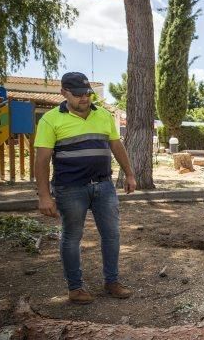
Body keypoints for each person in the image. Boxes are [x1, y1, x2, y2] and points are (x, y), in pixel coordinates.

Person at [34, 72, 136, 304]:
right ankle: (75, 288)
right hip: (70, 189)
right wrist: (44, 196)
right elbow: (41, 161)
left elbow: (116, 146)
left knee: (112, 235)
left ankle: (112, 282)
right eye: (78, 94)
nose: (84, 98)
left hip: (104, 186)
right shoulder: (50, 120)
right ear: (64, 93)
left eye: (87, 93)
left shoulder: (104, 116)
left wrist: (129, 174)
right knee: (71, 237)